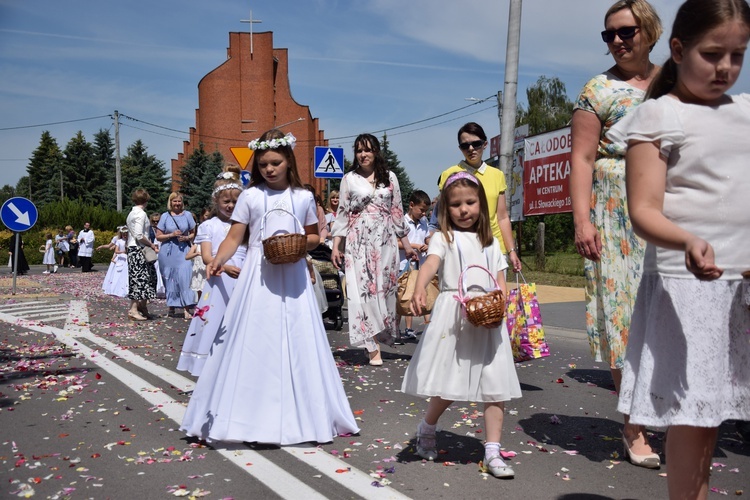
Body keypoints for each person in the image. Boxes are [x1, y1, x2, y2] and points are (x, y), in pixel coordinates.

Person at [608, 1, 750, 497]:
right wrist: (688, 240)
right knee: (696, 417)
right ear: (678, 48)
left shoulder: (748, 111)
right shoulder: (660, 114)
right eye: (713, 54)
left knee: (718, 417)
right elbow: (644, 208)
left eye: (739, 55)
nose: (726, 68)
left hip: (742, 286)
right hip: (689, 287)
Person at [181, 129, 359, 445]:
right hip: (258, 275)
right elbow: (235, 236)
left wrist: (297, 243)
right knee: (254, 339)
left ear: (288, 161)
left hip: (292, 275)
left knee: (298, 339)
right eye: (263, 164)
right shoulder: (250, 196)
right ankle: (249, 415)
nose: (269, 169)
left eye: (275, 163)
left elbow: (315, 236)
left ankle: (303, 414)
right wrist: (218, 259)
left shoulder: (303, 197)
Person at [569, 0, 663, 468]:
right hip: (614, 210)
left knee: (671, 317)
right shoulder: (598, 89)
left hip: (668, 209)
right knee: (624, 317)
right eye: (609, 34)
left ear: (648, 29)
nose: (618, 41)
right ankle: (634, 426)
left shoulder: (674, 82)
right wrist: (582, 220)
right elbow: (582, 159)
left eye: (626, 31)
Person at [402, 171, 521, 478]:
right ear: (446, 208)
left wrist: (501, 305)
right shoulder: (444, 237)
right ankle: (427, 427)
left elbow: (501, 279)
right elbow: (431, 262)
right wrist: (419, 287)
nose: (464, 209)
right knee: (450, 383)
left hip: (488, 317)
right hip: (455, 315)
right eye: (456, 204)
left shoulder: (491, 242)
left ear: (481, 204)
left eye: (471, 202)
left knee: (495, 387)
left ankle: (493, 451)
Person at [331, 133, 417, 365]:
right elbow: (342, 213)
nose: (363, 154)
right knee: (363, 292)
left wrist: (407, 246)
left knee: (383, 290)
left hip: (385, 241)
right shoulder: (349, 179)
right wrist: (336, 246)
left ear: (376, 152)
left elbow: (397, 212)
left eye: (368, 150)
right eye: (359, 150)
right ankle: (372, 346)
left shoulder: (389, 178)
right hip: (358, 241)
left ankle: (380, 333)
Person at [177, 168, 246, 377]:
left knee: (239, 321)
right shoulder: (209, 225)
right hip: (219, 280)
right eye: (226, 202)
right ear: (216, 201)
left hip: (242, 279)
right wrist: (223, 266)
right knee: (214, 320)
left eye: (235, 202)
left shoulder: (244, 226)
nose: (231, 206)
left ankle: (237, 365)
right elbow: (206, 256)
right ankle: (210, 366)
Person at [432, 122, 522, 273]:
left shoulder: (497, 175)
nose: (471, 149)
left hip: (494, 246)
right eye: (465, 146)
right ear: (460, 148)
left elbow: (502, 217)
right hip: (459, 247)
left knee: (496, 295)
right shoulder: (449, 174)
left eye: (476, 144)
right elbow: (444, 215)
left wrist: (511, 250)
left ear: (485, 144)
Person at [397, 190, 432, 340]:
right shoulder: (402, 222)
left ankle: (429, 329)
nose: (424, 214)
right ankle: (395, 330)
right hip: (403, 266)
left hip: (420, 267)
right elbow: (395, 242)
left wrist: (427, 244)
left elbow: (428, 237)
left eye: (426, 211)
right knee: (401, 300)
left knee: (424, 297)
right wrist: (414, 246)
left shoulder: (424, 222)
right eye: (421, 210)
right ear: (411, 205)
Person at [156, 192, 196, 319]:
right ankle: (171, 307)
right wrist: (171, 235)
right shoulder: (165, 216)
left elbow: (194, 233)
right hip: (168, 252)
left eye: (179, 201)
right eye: (175, 201)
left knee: (185, 278)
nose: (177, 204)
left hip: (183, 251)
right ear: (170, 202)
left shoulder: (188, 215)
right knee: (170, 279)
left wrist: (186, 237)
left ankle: (187, 308)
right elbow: (158, 236)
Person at [126, 189, 159, 321]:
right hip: (139, 249)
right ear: (146, 200)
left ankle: (142, 307)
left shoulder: (131, 213)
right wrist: (150, 244)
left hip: (133, 249)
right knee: (141, 279)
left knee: (146, 278)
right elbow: (139, 235)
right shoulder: (141, 214)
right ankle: (134, 309)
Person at [186, 208, 212, 302]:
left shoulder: (211, 245)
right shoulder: (196, 245)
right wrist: (197, 253)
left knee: (208, 289)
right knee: (200, 290)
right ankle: (200, 306)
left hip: (207, 270)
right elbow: (187, 256)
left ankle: (207, 305)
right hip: (199, 271)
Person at [102, 227, 129, 298]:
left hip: (127, 258)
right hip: (121, 258)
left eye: (126, 234)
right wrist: (123, 252)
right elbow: (116, 251)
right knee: (117, 273)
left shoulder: (129, 241)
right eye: (124, 235)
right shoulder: (119, 241)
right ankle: (115, 287)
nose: (125, 236)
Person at [149, 212, 166, 299]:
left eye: (157, 221)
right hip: (153, 251)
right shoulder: (149, 229)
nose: (156, 223)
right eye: (154, 221)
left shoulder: (164, 229)